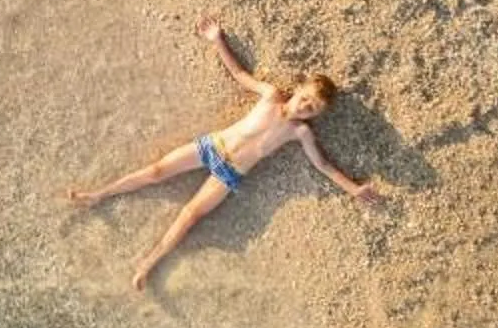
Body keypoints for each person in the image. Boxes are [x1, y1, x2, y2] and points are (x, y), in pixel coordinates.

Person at [67, 19, 380, 293]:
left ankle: (147, 265)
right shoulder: (270, 95)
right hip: (211, 147)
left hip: (229, 174)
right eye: (306, 99)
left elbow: (323, 165)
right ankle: (97, 194)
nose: (305, 107)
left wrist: (354, 189)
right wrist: (218, 40)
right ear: (299, 90)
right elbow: (240, 74)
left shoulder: (300, 133)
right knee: (156, 171)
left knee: (189, 215)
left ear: (316, 116)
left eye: (313, 109)